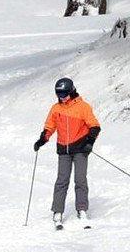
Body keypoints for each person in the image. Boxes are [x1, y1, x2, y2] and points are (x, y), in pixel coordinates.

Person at [36, 76, 101, 229]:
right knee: (62, 180)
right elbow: (49, 127)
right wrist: (42, 140)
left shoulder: (83, 107)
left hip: (80, 149)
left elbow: (95, 126)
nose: (62, 98)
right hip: (63, 149)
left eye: (64, 94)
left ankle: (82, 209)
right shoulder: (56, 108)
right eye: (59, 94)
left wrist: (89, 143)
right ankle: (57, 212)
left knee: (80, 179)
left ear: (71, 91)